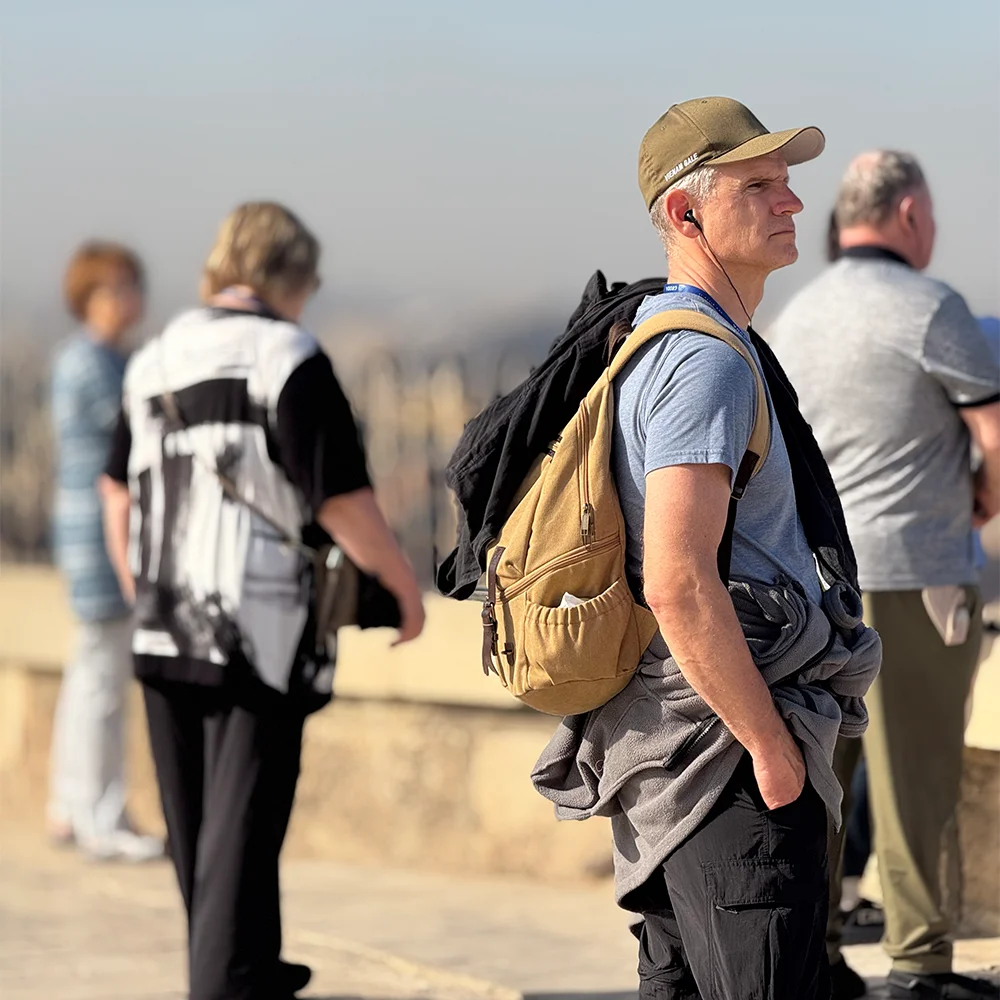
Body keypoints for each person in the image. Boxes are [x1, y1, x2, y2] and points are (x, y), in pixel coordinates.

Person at [532, 97, 881, 1000]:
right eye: (759, 185)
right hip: (726, 763)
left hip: (677, 758)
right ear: (687, 213)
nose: (792, 201)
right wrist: (771, 747)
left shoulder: (670, 343)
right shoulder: (706, 362)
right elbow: (679, 580)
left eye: (787, 182)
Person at [99, 202, 425, 1000]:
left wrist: (139, 583)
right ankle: (230, 981)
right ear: (292, 276)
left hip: (164, 624)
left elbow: (115, 489)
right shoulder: (288, 357)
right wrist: (400, 585)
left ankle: (251, 969)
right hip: (258, 629)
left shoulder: (153, 360)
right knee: (243, 830)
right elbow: (340, 498)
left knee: (199, 835)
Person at [769, 151, 1000, 1000]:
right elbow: (995, 434)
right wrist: (985, 496)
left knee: (828, 777)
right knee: (918, 777)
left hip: (817, 580)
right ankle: (919, 965)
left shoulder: (798, 313)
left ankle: (820, 958)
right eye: (930, 215)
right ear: (907, 214)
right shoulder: (931, 307)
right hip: (916, 576)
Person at [48, 241, 164, 862]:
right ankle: (100, 814)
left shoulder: (102, 360)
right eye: (112, 288)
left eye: (130, 285)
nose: (126, 299)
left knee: (89, 671)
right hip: (100, 534)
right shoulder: (92, 365)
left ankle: (71, 805)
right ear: (86, 297)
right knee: (104, 678)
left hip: (92, 527)